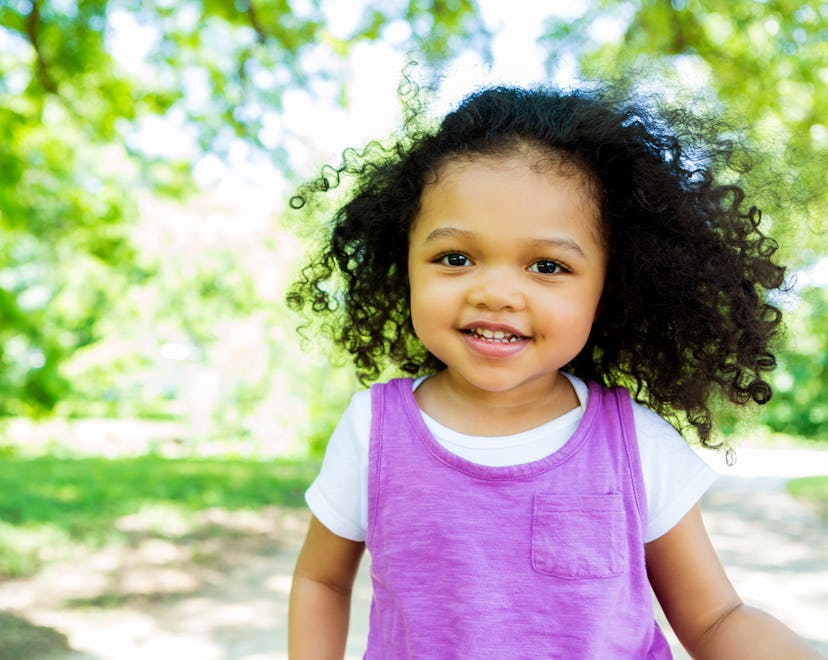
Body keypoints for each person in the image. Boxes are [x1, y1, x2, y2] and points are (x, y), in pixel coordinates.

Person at [286, 83, 822, 658]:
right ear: (405, 261)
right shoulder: (375, 431)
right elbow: (320, 580)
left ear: (609, 289)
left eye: (547, 265)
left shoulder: (633, 445)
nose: (496, 293)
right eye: (455, 258)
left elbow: (717, 619)